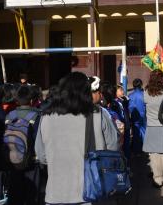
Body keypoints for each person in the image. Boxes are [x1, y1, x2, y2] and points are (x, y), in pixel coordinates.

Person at [35, 72, 119, 205]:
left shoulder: (45, 117)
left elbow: (41, 155)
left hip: (56, 194)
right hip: (90, 192)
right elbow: (113, 148)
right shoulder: (98, 114)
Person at [6, 85, 41, 205]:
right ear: (32, 100)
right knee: (32, 196)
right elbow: (38, 139)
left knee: (15, 196)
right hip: (31, 161)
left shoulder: (10, 115)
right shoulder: (37, 115)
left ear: (17, 100)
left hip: (13, 160)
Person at [129, 78, 146, 154]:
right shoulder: (144, 94)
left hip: (134, 117)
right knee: (144, 132)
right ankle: (145, 149)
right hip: (144, 116)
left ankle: (136, 151)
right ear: (141, 85)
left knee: (136, 133)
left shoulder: (130, 95)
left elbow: (129, 108)